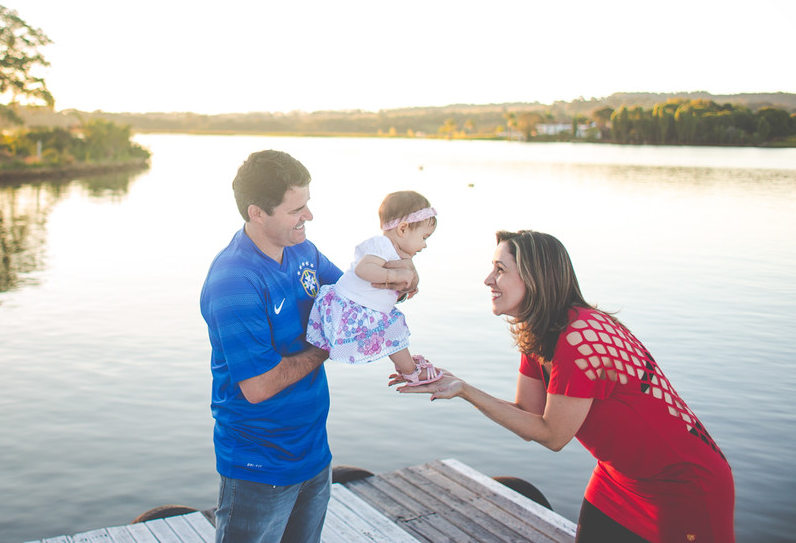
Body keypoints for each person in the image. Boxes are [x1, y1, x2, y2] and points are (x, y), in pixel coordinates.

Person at [395, 230, 735, 543]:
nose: (488, 280)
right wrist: (456, 385)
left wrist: (466, 391)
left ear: (535, 276)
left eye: (500, 269)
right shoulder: (542, 334)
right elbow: (529, 417)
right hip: (618, 480)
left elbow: (552, 436)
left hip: (683, 487)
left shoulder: (579, 338)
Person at [200, 150, 415, 543]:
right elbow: (259, 385)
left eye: (308, 205)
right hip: (259, 465)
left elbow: (353, 298)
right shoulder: (234, 280)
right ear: (257, 213)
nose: (309, 217)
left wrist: (400, 274)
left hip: (314, 453)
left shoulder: (304, 252)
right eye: (297, 209)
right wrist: (327, 345)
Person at [306, 190, 442, 385]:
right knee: (392, 328)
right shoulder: (382, 244)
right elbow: (364, 268)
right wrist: (393, 276)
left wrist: (407, 285)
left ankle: (408, 369)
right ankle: (411, 372)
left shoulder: (397, 252)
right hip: (352, 306)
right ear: (403, 229)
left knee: (392, 329)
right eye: (424, 237)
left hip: (364, 306)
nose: (425, 245)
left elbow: (404, 278)